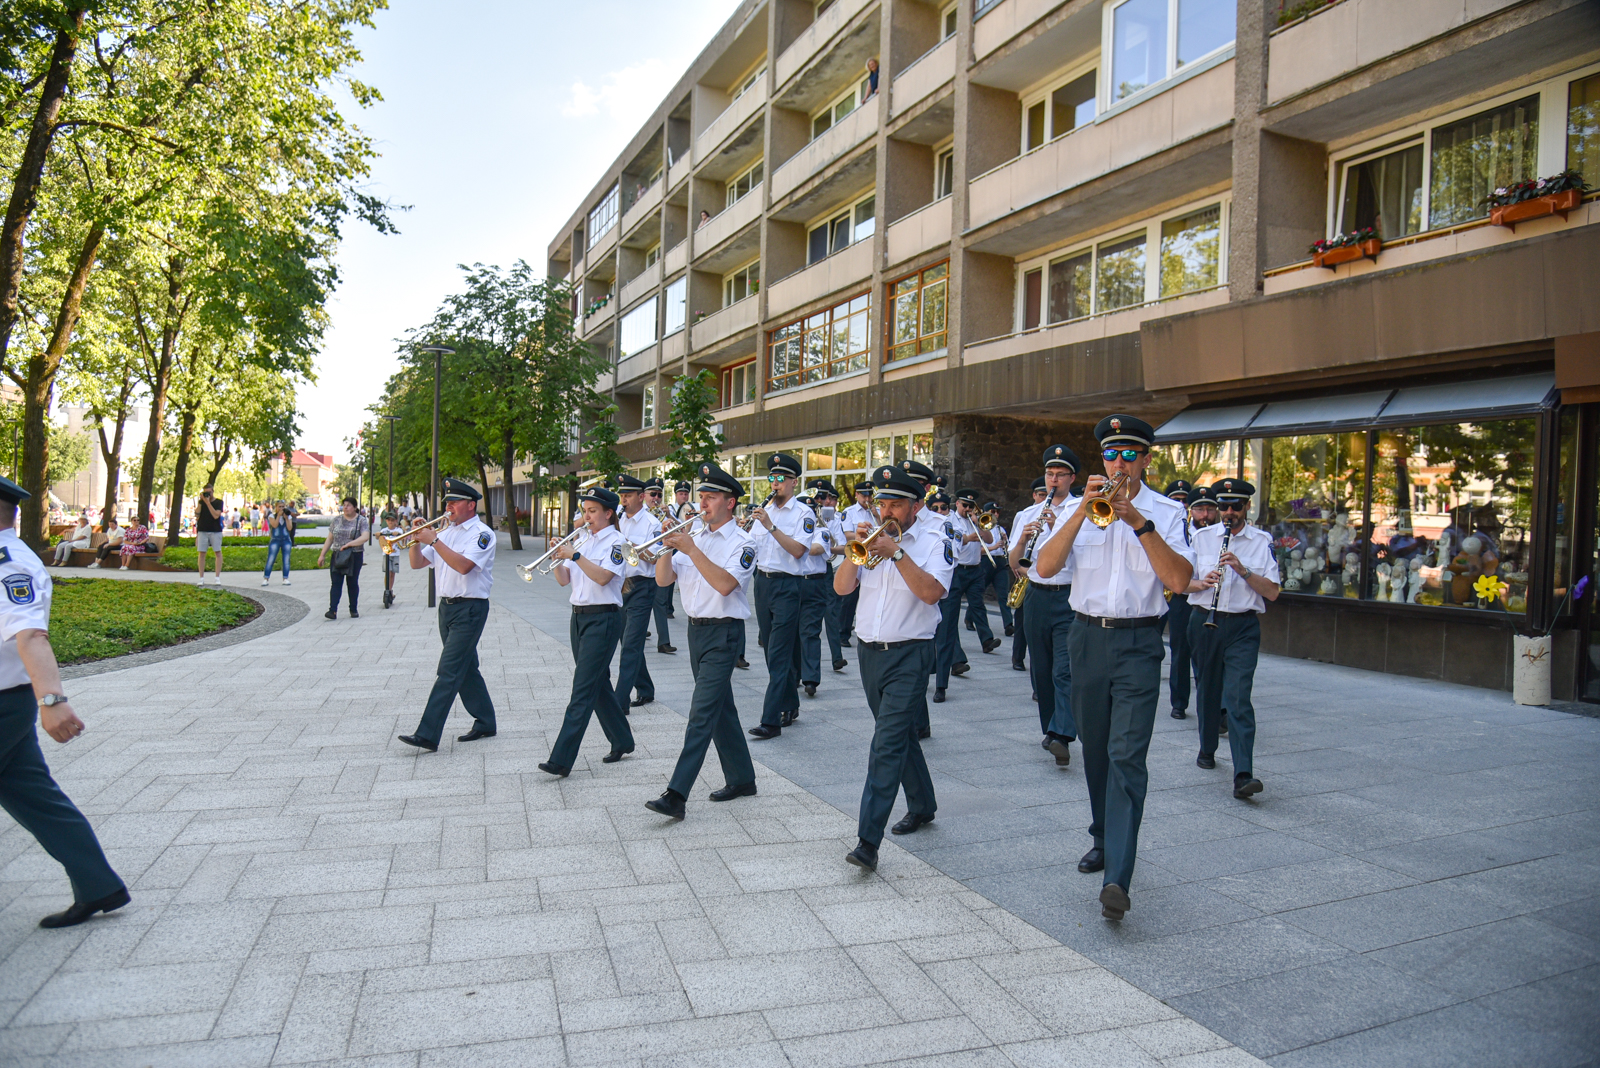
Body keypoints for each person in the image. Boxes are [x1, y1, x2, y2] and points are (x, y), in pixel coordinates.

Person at [1035, 415, 1194, 921]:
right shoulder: (1076, 508)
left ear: (1146, 459)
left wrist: (1138, 523)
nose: (1119, 463)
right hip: (1085, 636)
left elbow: (1180, 580)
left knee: (1127, 754)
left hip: (1139, 641)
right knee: (1097, 748)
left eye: (1129, 455)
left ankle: (1117, 878)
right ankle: (1103, 836)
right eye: (1111, 454)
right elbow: (1045, 568)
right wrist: (1080, 514)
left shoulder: (1167, 512)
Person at [0, 475, 129, 928]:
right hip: (8, 703)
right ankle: (98, 885)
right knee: (37, 800)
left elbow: (31, 634)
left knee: (37, 799)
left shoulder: (9, 564)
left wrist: (52, 700)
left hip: (4, 702)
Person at [835, 464, 952, 873]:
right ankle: (922, 804)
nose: (886, 511)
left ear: (915, 506)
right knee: (898, 736)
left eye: (896, 504)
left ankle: (867, 841)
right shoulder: (871, 537)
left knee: (885, 744)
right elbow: (841, 588)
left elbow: (931, 592)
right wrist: (856, 550)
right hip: (869, 652)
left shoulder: (936, 538)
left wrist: (897, 554)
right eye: (881, 502)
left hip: (910, 653)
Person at [646, 463, 758, 820]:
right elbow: (663, 581)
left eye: (710, 497)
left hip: (724, 633)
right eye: (702, 497)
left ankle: (676, 794)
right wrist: (666, 547)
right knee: (720, 708)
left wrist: (692, 549)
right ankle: (742, 779)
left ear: (730, 502)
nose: (703, 503)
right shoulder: (696, 535)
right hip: (696, 632)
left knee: (701, 713)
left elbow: (725, 585)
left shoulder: (743, 542)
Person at [1188, 479, 1279, 799]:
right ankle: (1207, 747)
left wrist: (1243, 570)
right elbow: (1180, 582)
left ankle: (1244, 773)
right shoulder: (1200, 538)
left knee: (1238, 697)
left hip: (1242, 626)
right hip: (1204, 620)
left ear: (1247, 507)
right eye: (1224, 506)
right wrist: (1201, 583)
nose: (1229, 513)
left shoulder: (1262, 541)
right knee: (1208, 689)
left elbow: (1273, 592)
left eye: (1236, 506)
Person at [538, 484, 636, 775]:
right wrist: (558, 557)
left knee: (582, 689)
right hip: (579, 617)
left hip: (603, 618)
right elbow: (563, 580)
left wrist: (575, 556)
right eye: (585, 511)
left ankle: (561, 759)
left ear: (609, 513)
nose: (587, 517)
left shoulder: (617, 542)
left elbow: (604, 577)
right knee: (597, 683)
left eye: (593, 511)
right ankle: (622, 739)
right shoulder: (582, 539)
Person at [398, 479, 499, 753]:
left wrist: (434, 540)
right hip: (448, 608)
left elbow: (464, 566)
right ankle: (486, 721)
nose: (448, 507)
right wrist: (415, 538)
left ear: (471, 505)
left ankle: (427, 734)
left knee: (449, 670)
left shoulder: (482, 534)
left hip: (470, 608)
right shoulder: (447, 532)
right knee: (466, 668)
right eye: (447, 502)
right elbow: (418, 563)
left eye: (454, 502)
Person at [1011, 447, 1081, 766]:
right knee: (1041, 668)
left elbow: (1081, 557)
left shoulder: (1081, 511)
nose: (1053, 480)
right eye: (1050, 474)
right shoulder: (1027, 513)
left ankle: (1062, 734)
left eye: (1060, 475)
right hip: (1036, 594)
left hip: (1069, 595)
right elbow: (1015, 562)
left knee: (1064, 669)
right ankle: (1051, 730)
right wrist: (1023, 541)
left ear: (1071, 478)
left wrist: (1054, 530)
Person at [747, 453, 821, 739]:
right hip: (762, 584)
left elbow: (799, 551)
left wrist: (770, 526)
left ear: (794, 482)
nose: (775, 483)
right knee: (771, 650)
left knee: (778, 653)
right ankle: (790, 703)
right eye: (772, 478)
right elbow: (752, 547)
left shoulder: (803, 513)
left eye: (781, 478)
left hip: (788, 586)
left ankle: (771, 720)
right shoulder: (765, 510)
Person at [613, 475, 662, 710]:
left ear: (641, 497)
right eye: (622, 495)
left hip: (642, 585)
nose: (623, 500)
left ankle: (619, 700)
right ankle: (645, 688)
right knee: (627, 640)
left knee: (631, 643)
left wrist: (629, 546)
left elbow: (654, 559)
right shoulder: (617, 519)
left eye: (628, 495)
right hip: (620, 584)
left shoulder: (652, 524)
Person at [797, 481, 842, 697]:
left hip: (814, 583)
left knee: (810, 631)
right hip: (793, 582)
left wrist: (788, 543)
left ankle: (811, 679)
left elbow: (816, 549)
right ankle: (793, 674)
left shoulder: (822, 530)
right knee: (791, 632)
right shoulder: (788, 530)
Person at [1163, 480, 1196, 720]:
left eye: (1185, 501)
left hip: (1201, 596)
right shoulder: (1165, 525)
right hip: (1178, 596)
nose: (1182, 505)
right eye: (1177, 500)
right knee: (1180, 649)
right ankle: (1179, 702)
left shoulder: (1199, 530)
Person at [1011, 477, 1047, 672]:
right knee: (1022, 620)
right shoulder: (1024, 515)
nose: (1044, 498)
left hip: (1045, 574)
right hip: (1027, 572)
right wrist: (1018, 568)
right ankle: (1017, 657)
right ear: (1034, 495)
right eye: (1041, 495)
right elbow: (1013, 546)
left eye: (1047, 495)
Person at [318, 497, 369, 619]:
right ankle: (332, 610)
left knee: (352, 582)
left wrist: (349, 544)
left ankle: (353, 609)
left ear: (355, 508)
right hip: (338, 554)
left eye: (349, 505)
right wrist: (322, 555)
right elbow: (330, 538)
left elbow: (365, 537)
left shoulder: (361, 521)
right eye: (344, 505)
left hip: (354, 555)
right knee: (336, 582)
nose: (345, 507)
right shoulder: (337, 520)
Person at [838, 481, 875, 646]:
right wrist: (868, 536)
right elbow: (848, 535)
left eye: (869, 495)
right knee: (849, 598)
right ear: (857, 495)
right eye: (864, 495)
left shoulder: (877, 511)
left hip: (873, 556)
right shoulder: (849, 512)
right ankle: (843, 633)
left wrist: (877, 515)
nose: (867, 498)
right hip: (856, 555)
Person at [645, 477, 676, 651]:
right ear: (644, 495)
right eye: (652, 494)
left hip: (660, 565)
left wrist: (669, 516)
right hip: (642, 568)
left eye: (659, 495)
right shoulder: (639, 514)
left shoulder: (665, 512)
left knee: (660, 603)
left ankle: (664, 642)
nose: (656, 498)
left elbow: (681, 530)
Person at [974, 500, 1013, 636]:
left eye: (998, 512)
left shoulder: (1000, 529)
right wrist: (993, 547)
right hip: (986, 561)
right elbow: (977, 550)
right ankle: (969, 618)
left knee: (1003, 594)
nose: (996, 514)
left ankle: (1008, 624)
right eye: (993, 512)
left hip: (1000, 562)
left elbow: (1008, 548)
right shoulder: (981, 528)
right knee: (979, 592)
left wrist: (1005, 543)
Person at [194, 486, 225, 584]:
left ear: (213, 491)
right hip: (202, 530)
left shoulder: (219, 502)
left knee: (217, 552)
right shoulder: (202, 502)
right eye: (205, 492)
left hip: (215, 531)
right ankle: (201, 578)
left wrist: (208, 503)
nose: (208, 495)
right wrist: (201, 502)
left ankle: (217, 577)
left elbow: (216, 515)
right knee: (202, 553)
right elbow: (197, 514)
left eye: (209, 492)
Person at [262, 502, 295, 587]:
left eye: (283, 507)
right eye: (279, 507)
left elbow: (290, 528)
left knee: (286, 560)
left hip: (286, 540)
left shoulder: (288, 516)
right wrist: (279, 516)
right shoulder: (272, 516)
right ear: (276, 507)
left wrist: (286, 518)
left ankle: (285, 578)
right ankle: (266, 578)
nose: (281, 508)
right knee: (271, 559)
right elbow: (275, 525)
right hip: (275, 540)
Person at [378, 511, 404, 608]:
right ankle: (387, 590)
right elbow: (379, 536)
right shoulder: (384, 530)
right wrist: (378, 534)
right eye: (388, 520)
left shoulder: (398, 530)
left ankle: (390, 589)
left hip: (395, 554)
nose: (390, 522)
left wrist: (397, 534)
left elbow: (401, 535)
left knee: (392, 573)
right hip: (386, 554)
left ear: (396, 521)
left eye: (392, 520)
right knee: (387, 572)